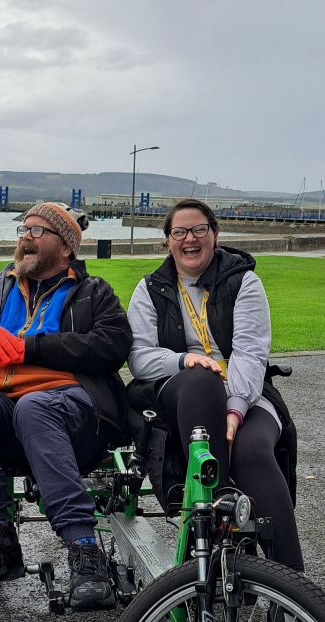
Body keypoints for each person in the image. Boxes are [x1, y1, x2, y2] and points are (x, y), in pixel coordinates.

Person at [0, 202, 132, 609]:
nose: (25, 236)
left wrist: (31, 348)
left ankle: (84, 551)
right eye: (23, 229)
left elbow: (112, 346)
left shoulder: (93, 292)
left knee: (36, 406)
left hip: (75, 416)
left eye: (37, 231)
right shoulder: (2, 287)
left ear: (66, 248)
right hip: (7, 417)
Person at [126, 198, 304, 571]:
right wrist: (182, 359)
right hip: (182, 390)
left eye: (199, 229)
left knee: (253, 452)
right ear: (167, 240)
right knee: (199, 379)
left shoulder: (243, 281)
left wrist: (237, 408)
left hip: (246, 393)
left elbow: (250, 352)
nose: (189, 239)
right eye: (179, 232)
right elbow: (139, 358)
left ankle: (292, 595)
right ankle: (222, 512)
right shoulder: (150, 289)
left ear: (215, 234)